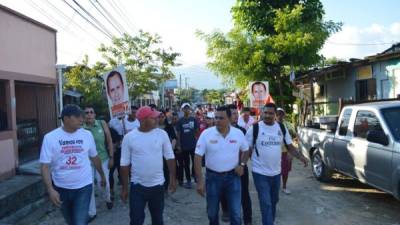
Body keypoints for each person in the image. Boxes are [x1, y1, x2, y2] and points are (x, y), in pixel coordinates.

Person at [39, 104, 106, 225]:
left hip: (83, 187)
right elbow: (44, 166)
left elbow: (95, 157)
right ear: (65, 118)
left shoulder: (87, 135)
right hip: (61, 188)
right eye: (77, 116)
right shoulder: (50, 138)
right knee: (70, 221)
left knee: (79, 222)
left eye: (82, 116)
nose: (82, 119)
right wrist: (50, 189)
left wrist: (102, 175)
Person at [246, 103, 308, 225]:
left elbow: (290, 146)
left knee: (274, 200)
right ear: (262, 113)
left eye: (271, 113)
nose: (268, 115)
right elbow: (246, 149)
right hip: (260, 172)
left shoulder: (281, 128)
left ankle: (270, 221)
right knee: (266, 202)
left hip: (276, 173)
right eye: (266, 112)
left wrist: (301, 157)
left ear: (275, 114)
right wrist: (242, 163)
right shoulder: (254, 129)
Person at [120, 106, 177, 225]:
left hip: (158, 186)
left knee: (158, 220)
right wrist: (125, 188)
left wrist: (172, 179)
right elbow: (124, 164)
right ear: (143, 120)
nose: (157, 119)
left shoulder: (162, 134)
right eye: (153, 117)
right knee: (136, 220)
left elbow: (170, 157)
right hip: (137, 187)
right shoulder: (129, 138)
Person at [195, 106, 249, 225]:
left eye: (221, 118)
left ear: (229, 118)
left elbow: (246, 150)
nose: (217, 120)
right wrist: (200, 181)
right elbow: (197, 157)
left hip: (233, 178)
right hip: (213, 178)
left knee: (235, 213)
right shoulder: (206, 134)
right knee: (212, 212)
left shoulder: (238, 133)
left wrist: (242, 164)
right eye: (216, 117)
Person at [220, 104, 253, 225]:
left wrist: (242, 164)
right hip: (225, 168)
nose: (235, 116)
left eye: (236, 113)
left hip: (241, 167)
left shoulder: (242, 130)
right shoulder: (220, 131)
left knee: (244, 193)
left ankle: (248, 218)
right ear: (227, 116)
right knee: (224, 191)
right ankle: (226, 211)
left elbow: (247, 149)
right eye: (233, 114)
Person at [83, 106, 114, 221]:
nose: (89, 114)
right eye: (87, 112)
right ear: (84, 115)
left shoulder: (102, 123)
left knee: (103, 184)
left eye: (91, 112)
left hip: (103, 159)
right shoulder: (81, 128)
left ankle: (107, 198)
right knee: (89, 186)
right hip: (88, 163)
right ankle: (92, 212)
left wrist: (111, 157)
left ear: (95, 114)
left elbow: (109, 140)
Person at [176, 102, 199, 189]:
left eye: (188, 108)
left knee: (195, 162)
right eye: (185, 108)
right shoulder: (180, 121)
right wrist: (179, 145)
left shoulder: (194, 119)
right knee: (186, 164)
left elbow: (197, 132)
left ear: (190, 109)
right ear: (182, 110)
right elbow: (178, 134)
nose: (186, 110)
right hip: (184, 146)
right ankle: (189, 180)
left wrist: (198, 142)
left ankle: (195, 176)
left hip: (193, 145)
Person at [276, 108, 297, 194]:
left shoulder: (288, 124)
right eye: (278, 114)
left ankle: (284, 187)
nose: (280, 116)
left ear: (284, 115)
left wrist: (291, 152)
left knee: (285, 171)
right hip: (275, 152)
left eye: (282, 114)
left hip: (286, 151)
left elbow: (294, 136)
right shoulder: (272, 125)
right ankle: (275, 187)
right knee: (276, 171)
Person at [158, 111, 177, 191]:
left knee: (166, 169)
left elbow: (174, 138)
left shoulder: (169, 127)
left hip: (167, 152)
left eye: (163, 116)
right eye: (159, 116)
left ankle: (166, 187)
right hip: (157, 153)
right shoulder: (153, 128)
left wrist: (170, 149)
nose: (161, 118)